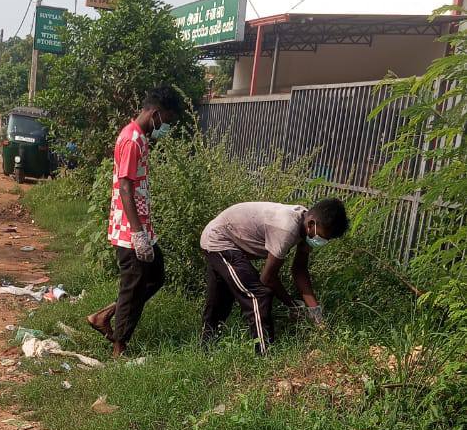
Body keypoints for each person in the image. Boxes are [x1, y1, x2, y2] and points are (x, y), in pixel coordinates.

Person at [87, 85, 180, 358]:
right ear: (155, 113)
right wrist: (138, 234)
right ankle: (119, 348)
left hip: (141, 228)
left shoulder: (140, 137)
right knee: (133, 285)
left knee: (155, 277)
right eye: (167, 119)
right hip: (130, 231)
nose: (166, 126)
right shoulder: (131, 140)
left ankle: (105, 315)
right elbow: (125, 187)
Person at [200, 198, 349, 354]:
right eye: (323, 237)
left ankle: (206, 349)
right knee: (258, 295)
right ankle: (265, 355)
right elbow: (267, 278)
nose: (323, 241)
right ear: (312, 224)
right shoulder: (286, 228)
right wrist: (292, 305)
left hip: (227, 240)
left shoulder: (306, 227)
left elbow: (299, 270)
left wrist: (315, 311)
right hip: (219, 240)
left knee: (219, 299)